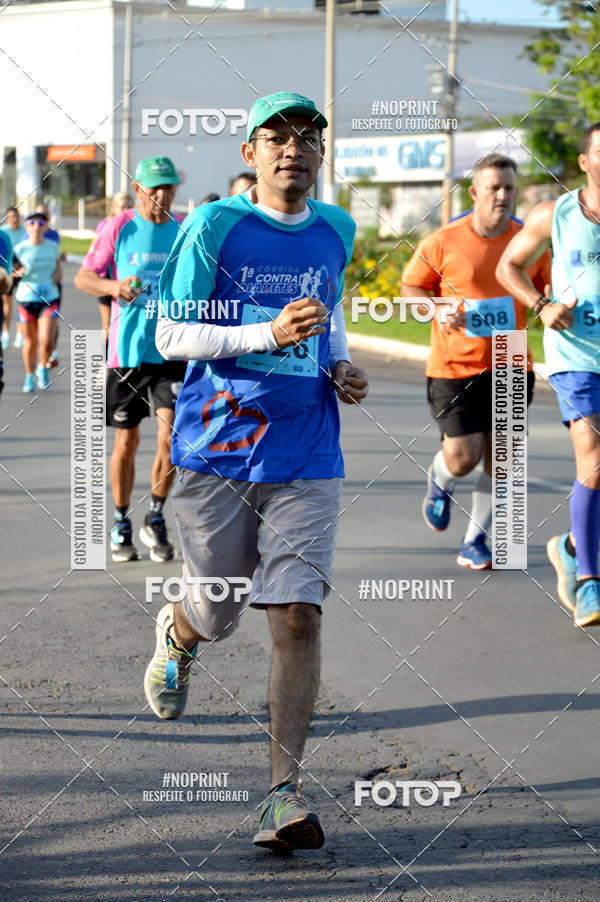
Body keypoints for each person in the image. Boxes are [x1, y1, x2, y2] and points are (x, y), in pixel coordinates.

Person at [146, 92, 368, 852]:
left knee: (298, 613)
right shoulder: (215, 225)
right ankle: (180, 633)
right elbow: (170, 334)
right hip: (220, 448)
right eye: (276, 138)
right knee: (216, 611)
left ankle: (283, 795)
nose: (292, 149)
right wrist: (265, 332)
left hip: (308, 450)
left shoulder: (336, 228)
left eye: (307, 137)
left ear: (321, 154)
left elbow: (330, 314)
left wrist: (338, 363)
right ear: (250, 153)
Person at [401, 154, 551, 569]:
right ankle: (441, 480)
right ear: (474, 192)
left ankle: (474, 539)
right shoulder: (444, 240)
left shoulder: (529, 241)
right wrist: (436, 309)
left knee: (502, 459)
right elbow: (411, 287)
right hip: (454, 366)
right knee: (463, 456)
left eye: (509, 188)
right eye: (494, 188)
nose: (503, 196)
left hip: (512, 360)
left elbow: (545, 288)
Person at [497, 124, 600, 628]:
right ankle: (589, 582)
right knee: (594, 456)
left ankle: (571, 545)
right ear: (584, 162)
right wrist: (541, 305)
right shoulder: (554, 213)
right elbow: (508, 267)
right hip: (575, 354)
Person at [74, 157, 185, 563]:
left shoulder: (184, 227)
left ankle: (155, 515)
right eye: (155, 188)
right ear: (138, 188)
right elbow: (84, 277)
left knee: (171, 439)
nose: (163, 195)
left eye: (169, 187)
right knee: (126, 441)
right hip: (127, 353)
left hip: (171, 350)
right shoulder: (119, 227)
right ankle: (121, 521)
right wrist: (113, 287)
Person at [13, 211, 61, 392]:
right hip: (26, 300)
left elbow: (58, 268)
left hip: (49, 298)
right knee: (30, 342)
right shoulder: (20, 249)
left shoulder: (52, 247)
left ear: (46, 227)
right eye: (32, 223)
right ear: (26, 227)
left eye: (41, 224)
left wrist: (57, 276)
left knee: (47, 339)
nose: (36, 227)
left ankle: (42, 368)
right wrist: (19, 272)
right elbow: (11, 273)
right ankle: (29, 376)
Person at [90, 192, 135, 335]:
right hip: (107, 276)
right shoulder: (105, 225)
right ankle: (104, 347)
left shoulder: (135, 226)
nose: (125, 210)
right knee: (108, 324)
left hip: (127, 276)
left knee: (126, 321)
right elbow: (93, 251)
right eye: (122, 207)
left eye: (129, 207)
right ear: (114, 208)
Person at [35, 203, 66, 368]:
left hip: (53, 285)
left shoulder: (53, 235)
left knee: (53, 319)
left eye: (45, 216)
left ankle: (52, 350)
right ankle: (41, 354)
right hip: (34, 287)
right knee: (36, 324)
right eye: (39, 216)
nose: (42, 220)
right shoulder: (27, 235)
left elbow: (55, 257)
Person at [1, 207, 27, 349]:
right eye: (11, 216)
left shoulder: (25, 231)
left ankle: (20, 334)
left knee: (21, 302)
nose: (14, 219)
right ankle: (5, 333)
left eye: (16, 216)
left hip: (22, 270)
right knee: (7, 301)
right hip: (7, 271)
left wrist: (21, 268)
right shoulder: (3, 231)